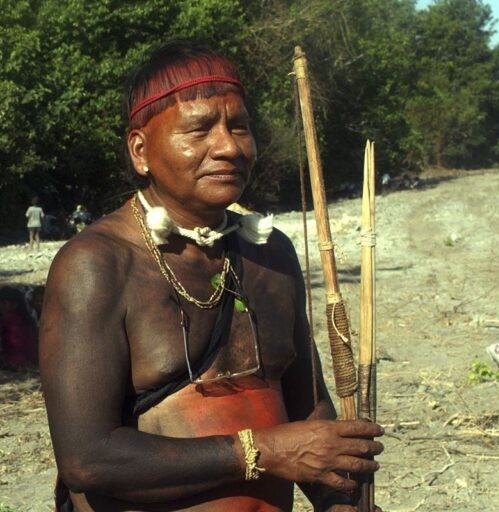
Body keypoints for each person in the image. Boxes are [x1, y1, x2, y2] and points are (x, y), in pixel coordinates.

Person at [39, 40, 383, 511]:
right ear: (140, 150)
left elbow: (310, 411)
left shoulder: (271, 255)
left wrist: (341, 500)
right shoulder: (97, 265)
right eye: (199, 129)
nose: (229, 147)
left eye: (240, 126)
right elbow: (88, 458)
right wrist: (264, 451)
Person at [0, 286, 37, 369]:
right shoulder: (28, 319)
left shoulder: (6, 320)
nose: (0, 306)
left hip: (14, 361)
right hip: (32, 360)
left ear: (15, 305)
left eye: (4, 303)